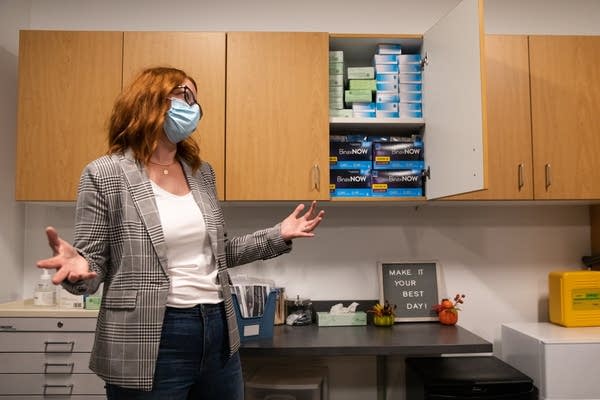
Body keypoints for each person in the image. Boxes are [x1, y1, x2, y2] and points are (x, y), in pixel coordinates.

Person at [36, 66, 325, 400]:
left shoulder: (201, 174)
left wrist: (280, 234)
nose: (193, 108)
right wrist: (78, 271)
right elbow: (91, 266)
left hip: (218, 330)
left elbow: (221, 254)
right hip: (150, 337)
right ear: (149, 99)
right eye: (184, 95)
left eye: (196, 102)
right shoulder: (105, 174)